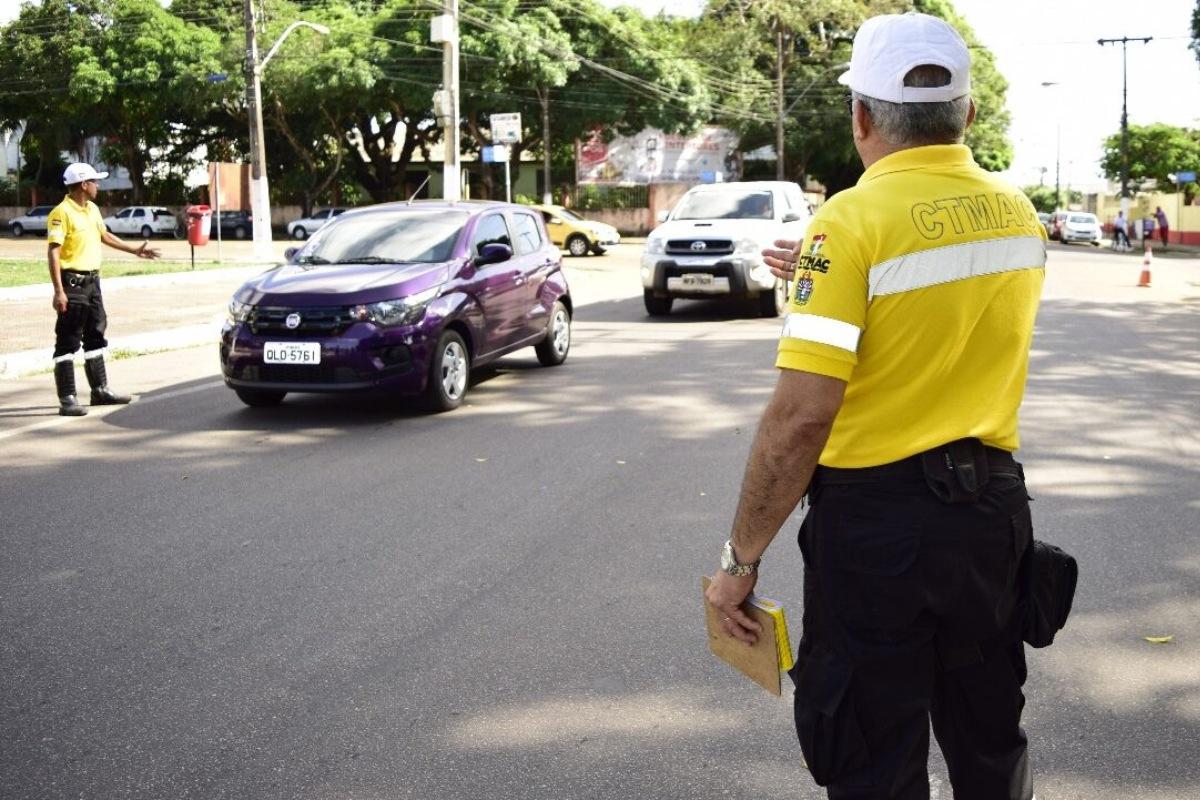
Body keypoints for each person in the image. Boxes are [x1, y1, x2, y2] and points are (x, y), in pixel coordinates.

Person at [705, 12, 1046, 800]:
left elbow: (799, 421)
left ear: (861, 116)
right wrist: (824, 271)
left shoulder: (849, 221)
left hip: (880, 533)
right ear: (966, 113)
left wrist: (740, 563)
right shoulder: (1018, 214)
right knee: (989, 741)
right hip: (992, 520)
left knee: (871, 759)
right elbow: (937, 303)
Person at [48, 162, 160, 416]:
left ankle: (100, 390)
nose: (98, 186)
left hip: (93, 283)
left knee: (96, 333)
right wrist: (58, 290)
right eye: (95, 182)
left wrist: (135, 250)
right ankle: (67, 397)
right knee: (68, 339)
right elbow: (53, 252)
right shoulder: (61, 212)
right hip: (72, 283)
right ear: (84, 185)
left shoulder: (92, 209)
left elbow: (104, 236)